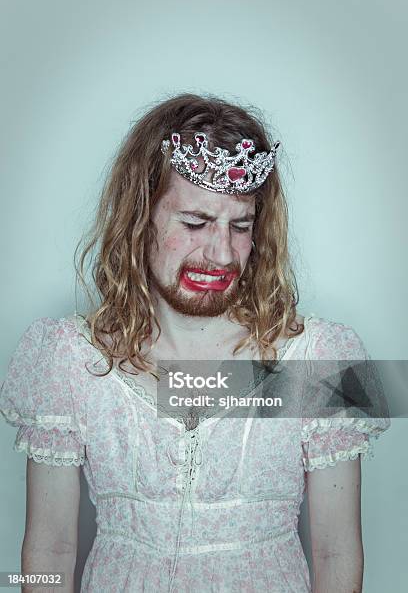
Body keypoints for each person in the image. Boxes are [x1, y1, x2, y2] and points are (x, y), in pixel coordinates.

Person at [0, 93, 390, 593]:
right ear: (140, 220)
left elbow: (336, 552)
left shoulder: (322, 358)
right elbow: (51, 548)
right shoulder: (68, 358)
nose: (221, 253)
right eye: (195, 223)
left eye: (241, 226)